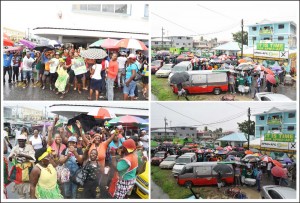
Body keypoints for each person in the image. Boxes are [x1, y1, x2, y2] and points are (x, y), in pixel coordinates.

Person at [8, 134, 35, 199]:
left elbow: (33, 158)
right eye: (19, 141)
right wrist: (12, 156)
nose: (21, 142)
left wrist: (23, 155)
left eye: (22, 141)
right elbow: (10, 158)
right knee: (21, 193)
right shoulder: (15, 148)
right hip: (19, 171)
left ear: (25, 141)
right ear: (18, 141)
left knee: (29, 192)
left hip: (28, 170)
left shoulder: (29, 147)